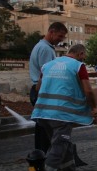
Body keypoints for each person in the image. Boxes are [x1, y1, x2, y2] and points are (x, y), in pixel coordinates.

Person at [31, 44, 97, 171]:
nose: (84, 59)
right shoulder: (78, 66)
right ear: (80, 54)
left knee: (63, 143)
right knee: (58, 147)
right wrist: (93, 108)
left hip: (43, 113)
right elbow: (88, 90)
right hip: (61, 114)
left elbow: (37, 88)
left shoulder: (47, 65)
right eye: (84, 56)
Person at [29, 22, 68, 151]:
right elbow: (47, 74)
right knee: (46, 129)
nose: (61, 39)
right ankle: (46, 157)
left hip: (39, 89)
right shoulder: (45, 49)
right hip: (42, 90)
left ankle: (42, 157)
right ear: (51, 32)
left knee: (42, 127)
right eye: (60, 36)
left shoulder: (41, 46)